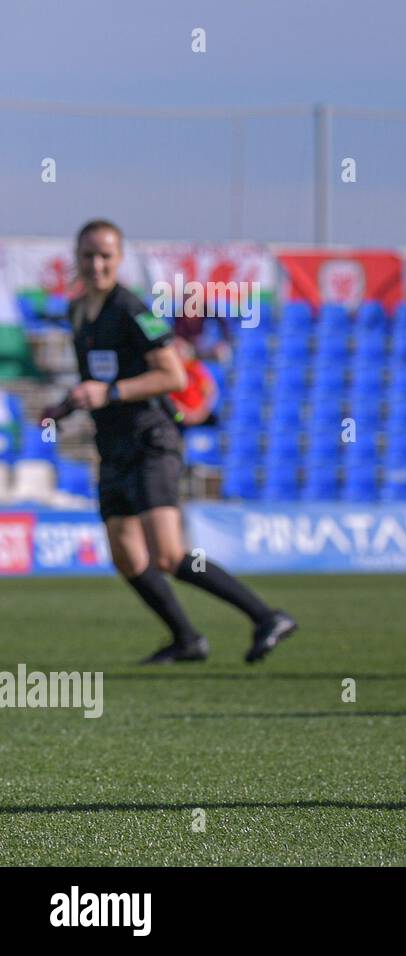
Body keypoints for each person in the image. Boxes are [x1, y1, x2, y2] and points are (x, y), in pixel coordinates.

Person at [42, 219, 296, 664]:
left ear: (119, 260)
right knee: (126, 556)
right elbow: (97, 378)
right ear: (77, 259)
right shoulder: (79, 310)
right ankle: (187, 639)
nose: (97, 263)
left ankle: (266, 616)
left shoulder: (131, 308)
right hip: (113, 445)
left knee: (168, 555)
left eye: (106, 255)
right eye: (89, 255)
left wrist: (114, 392)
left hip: (150, 441)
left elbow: (172, 375)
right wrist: (66, 406)